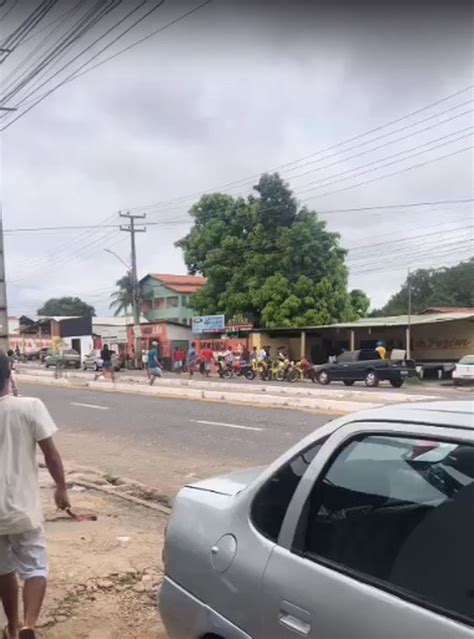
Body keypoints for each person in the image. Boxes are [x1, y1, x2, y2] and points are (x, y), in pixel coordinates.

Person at [0, 352, 70, 639]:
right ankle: (29, 624)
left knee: (3, 570)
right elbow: (51, 456)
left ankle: (13, 629)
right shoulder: (29, 406)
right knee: (35, 568)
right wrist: (61, 489)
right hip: (24, 510)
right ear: (9, 374)